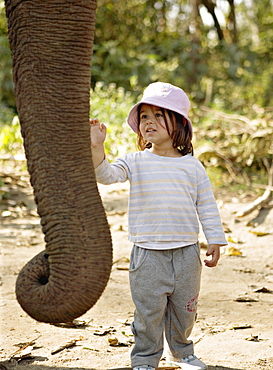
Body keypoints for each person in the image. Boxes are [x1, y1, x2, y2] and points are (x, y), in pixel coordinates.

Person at [90, 82, 227, 370]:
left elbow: (207, 206)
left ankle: (183, 353)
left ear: (179, 124)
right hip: (147, 253)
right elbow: (105, 175)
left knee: (185, 310)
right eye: (144, 117)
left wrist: (215, 240)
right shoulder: (135, 161)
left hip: (187, 253)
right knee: (148, 312)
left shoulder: (193, 166)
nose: (149, 122)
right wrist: (97, 146)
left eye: (158, 115)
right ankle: (144, 359)